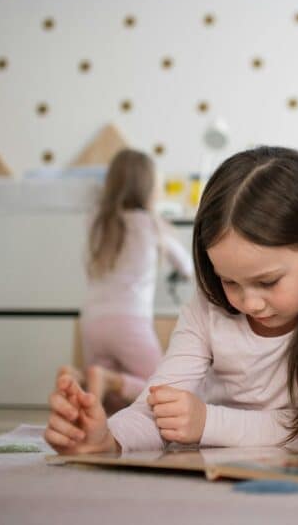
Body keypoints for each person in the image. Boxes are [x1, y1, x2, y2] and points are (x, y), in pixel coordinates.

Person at [45, 146, 298, 454]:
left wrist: (207, 422)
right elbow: (156, 405)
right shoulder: (210, 303)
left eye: (268, 281)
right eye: (229, 281)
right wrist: (108, 438)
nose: (249, 303)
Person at [63, 148, 193, 412]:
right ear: (149, 189)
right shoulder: (152, 225)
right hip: (128, 322)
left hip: (92, 321)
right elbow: (187, 267)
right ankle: (102, 381)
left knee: (108, 403)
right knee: (161, 387)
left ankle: (79, 381)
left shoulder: (97, 222)